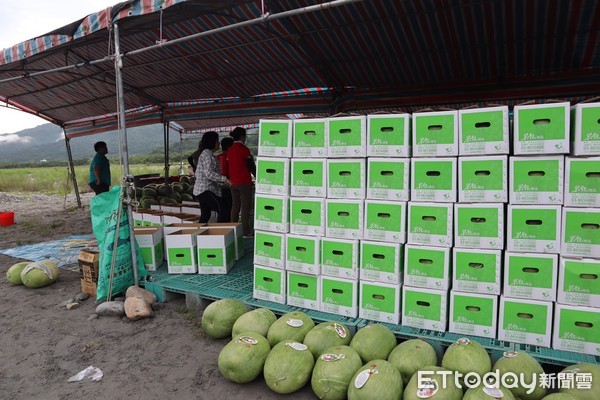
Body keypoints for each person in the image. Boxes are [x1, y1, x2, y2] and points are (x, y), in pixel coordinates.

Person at [193, 131, 231, 223]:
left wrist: (224, 184)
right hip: (204, 190)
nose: (219, 143)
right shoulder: (207, 156)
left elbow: (211, 176)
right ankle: (221, 234)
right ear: (212, 142)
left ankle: (198, 234)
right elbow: (208, 173)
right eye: (217, 141)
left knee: (206, 215)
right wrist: (225, 179)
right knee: (223, 209)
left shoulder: (209, 155)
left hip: (202, 190)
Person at [227, 127, 256, 237]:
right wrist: (258, 176)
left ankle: (233, 229)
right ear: (242, 137)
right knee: (245, 207)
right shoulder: (244, 149)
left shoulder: (230, 150)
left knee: (235, 207)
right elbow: (251, 166)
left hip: (233, 183)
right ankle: (245, 231)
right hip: (244, 182)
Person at [216, 137, 234, 223]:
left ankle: (221, 226)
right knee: (228, 208)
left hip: (217, 186)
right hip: (228, 185)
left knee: (221, 208)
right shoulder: (230, 157)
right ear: (230, 147)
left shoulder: (217, 157)